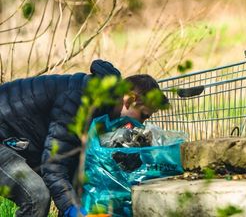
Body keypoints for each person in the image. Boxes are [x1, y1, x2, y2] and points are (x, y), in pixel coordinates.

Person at [0, 60, 169, 217]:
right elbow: (54, 166)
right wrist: (72, 209)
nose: (140, 124)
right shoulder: (81, 102)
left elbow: (73, 161)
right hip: (3, 134)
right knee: (37, 195)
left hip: (20, 136)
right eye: (143, 116)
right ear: (130, 99)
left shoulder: (103, 106)